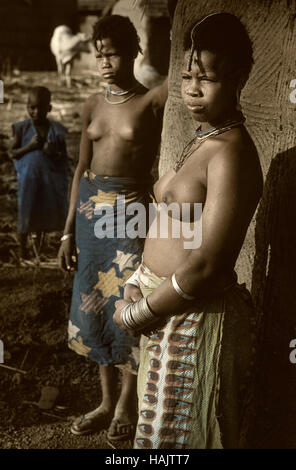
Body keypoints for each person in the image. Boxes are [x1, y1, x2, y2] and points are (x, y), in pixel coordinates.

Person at [113, 12, 263, 449]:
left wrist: (139, 313)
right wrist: (136, 285)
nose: (192, 90)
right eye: (186, 76)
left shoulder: (230, 153)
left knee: (183, 441)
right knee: (159, 438)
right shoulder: (201, 138)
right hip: (164, 308)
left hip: (193, 317)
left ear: (239, 77)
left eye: (207, 78)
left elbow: (207, 265)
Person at [58, 15, 167, 441]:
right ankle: (105, 401)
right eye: (99, 53)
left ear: (134, 51)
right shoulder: (91, 103)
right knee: (94, 307)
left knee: (127, 307)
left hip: (129, 216)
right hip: (89, 217)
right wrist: (68, 232)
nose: (105, 62)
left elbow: (173, 69)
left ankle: (127, 403)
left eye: (114, 52)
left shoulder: (150, 102)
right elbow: (80, 169)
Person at [10, 86, 68, 261]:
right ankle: (22, 251)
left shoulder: (56, 129)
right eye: (31, 107)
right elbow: (12, 153)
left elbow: (63, 156)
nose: (35, 111)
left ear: (49, 109)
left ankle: (38, 249)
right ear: (27, 106)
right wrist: (30, 147)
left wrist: (51, 152)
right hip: (28, 179)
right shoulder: (21, 128)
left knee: (42, 212)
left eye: (40, 108)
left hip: (48, 178)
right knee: (26, 213)